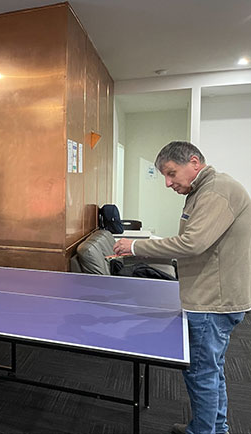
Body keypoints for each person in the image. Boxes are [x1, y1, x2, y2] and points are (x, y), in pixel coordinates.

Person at [113, 141, 250, 434]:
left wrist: (136, 245)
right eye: (165, 175)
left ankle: (204, 431)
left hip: (211, 301)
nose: (168, 182)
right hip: (211, 297)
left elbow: (192, 243)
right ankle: (214, 428)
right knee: (210, 370)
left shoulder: (216, 191)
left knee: (201, 373)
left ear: (194, 162)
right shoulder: (204, 190)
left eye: (172, 173)